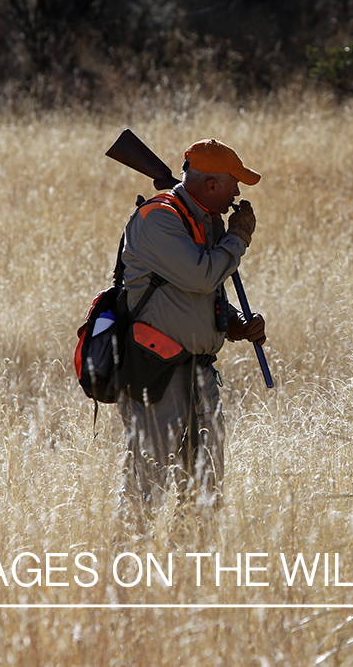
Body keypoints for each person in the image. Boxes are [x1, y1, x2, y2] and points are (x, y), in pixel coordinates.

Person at [116, 138, 266, 518]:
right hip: (155, 370)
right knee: (145, 488)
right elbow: (201, 275)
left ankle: (192, 570)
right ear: (212, 186)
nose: (238, 193)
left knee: (205, 486)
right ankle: (125, 569)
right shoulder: (160, 218)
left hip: (199, 371)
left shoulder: (205, 220)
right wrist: (239, 238)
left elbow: (201, 295)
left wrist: (233, 323)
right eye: (235, 184)